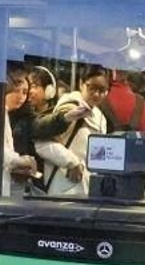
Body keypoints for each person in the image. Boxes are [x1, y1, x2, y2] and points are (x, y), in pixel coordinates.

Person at [38, 66, 111, 196]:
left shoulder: (100, 117)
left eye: (102, 90)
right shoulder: (70, 108)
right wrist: (71, 162)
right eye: (92, 88)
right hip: (62, 189)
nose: (97, 94)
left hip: (88, 189)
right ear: (81, 84)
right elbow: (42, 143)